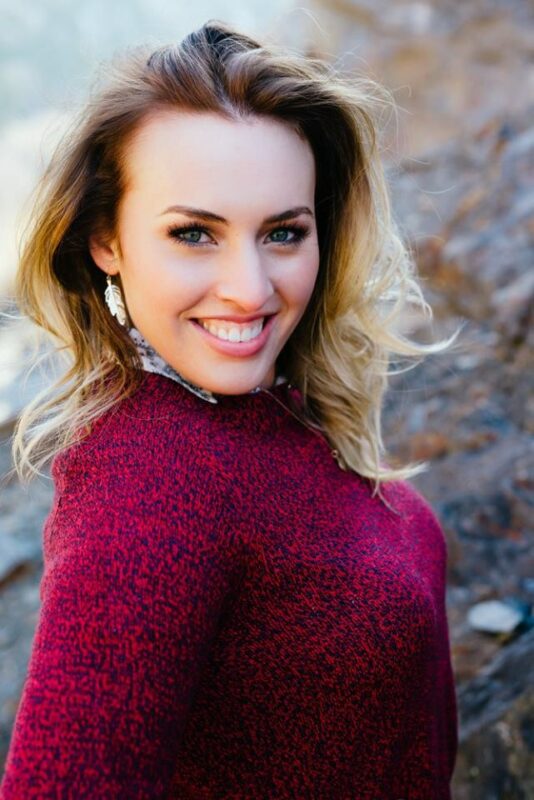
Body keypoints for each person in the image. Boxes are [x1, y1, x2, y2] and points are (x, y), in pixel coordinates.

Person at [0, 19, 462, 799]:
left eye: (283, 232)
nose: (249, 289)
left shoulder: (266, 410)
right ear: (106, 239)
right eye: (194, 233)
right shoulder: (146, 485)